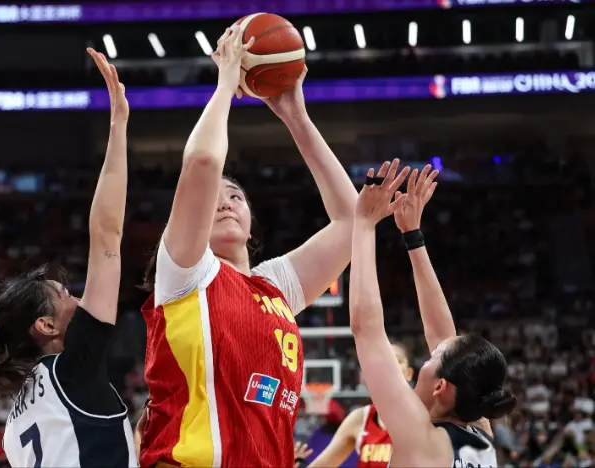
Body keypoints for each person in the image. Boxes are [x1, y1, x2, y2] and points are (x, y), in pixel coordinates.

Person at [139, 24, 359, 468]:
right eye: (214, 198)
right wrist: (225, 81)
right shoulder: (185, 272)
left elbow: (354, 222)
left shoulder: (275, 286)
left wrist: (296, 117)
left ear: (251, 220)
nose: (225, 203)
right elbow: (203, 161)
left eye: (236, 196)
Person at [0, 49, 136, 467]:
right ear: (47, 325)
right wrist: (118, 126)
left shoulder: (14, 425)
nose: (78, 298)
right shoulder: (72, 371)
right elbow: (107, 236)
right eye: (65, 295)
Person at [349, 164, 517, 467]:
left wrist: (363, 224)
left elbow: (367, 331)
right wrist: (412, 236)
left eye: (433, 356)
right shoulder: (479, 431)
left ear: (441, 386)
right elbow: (444, 338)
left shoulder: (419, 435)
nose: (429, 353)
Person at [305, 342, 414, 468]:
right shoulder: (360, 419)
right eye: (383, 360)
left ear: (409, 373)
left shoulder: (424, 417)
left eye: (397, 359)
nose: (389, 364)